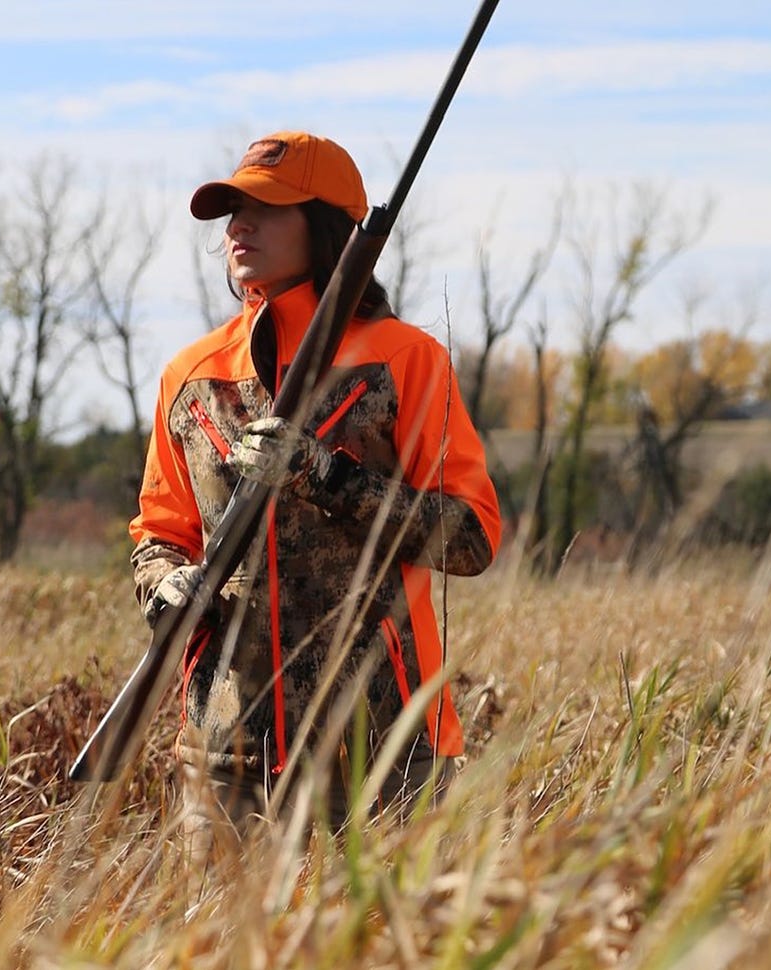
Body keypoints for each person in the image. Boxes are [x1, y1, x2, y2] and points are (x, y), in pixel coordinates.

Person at [130, 131, 501, 847]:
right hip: (226, 751)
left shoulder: (404, 359)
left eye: (267, 208)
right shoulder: (192, 375)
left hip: (381, 747)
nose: (240, 224)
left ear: (327, 226)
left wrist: (329, 478)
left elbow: (473, 536)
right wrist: (164, 584)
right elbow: (159, 533)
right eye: (234, 208)